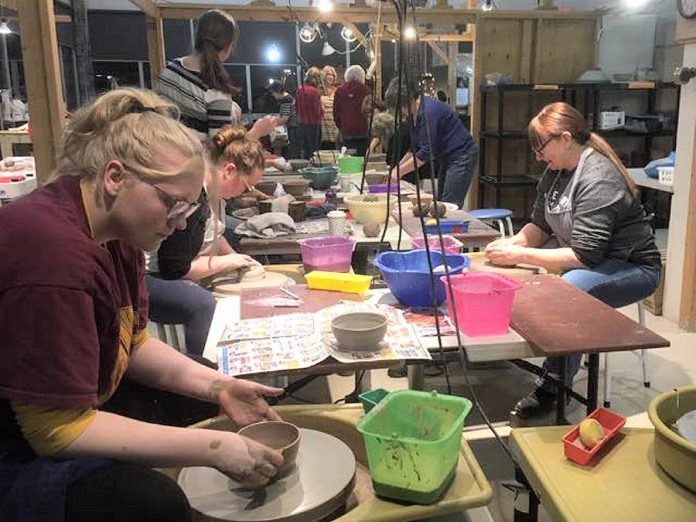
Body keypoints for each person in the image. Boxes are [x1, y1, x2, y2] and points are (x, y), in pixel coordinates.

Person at [0, 88, 284, 522]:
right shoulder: (52, 255)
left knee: (214, 395)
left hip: (62, 407)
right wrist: (212, 448)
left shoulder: (119, 234)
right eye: (174, 203)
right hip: (16, 441)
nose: (184, 221)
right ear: (115, 176)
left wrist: (219, 387)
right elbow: (53, 430)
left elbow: (132, 345)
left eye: (191, 206)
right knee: (152, 503)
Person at [485, 101, 661, 418]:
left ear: (565, 138)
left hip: (632, 267)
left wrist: (521, 254)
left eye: (542, 149)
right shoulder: (555, 173)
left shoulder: (598, 178)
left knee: (572, 289)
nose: (538, 157)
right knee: (513, 273)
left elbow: (584, 256)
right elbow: (539, 224)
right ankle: (500, 351)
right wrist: (516, 242)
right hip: (591, 259)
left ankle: (553, 387)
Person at [148, 125, 266, 356]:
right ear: (229, 170)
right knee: (201, 303)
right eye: (246, 185)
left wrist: (236, 257)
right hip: (145, 275)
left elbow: (216, 236)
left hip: (169, 268)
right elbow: (176, 269)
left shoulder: (214, 193)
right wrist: (230, 262)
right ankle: (204, 372)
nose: (245, 193)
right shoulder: (193, 197)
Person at [156, 9, 277, 141]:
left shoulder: (170, 69)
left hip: (162, 153)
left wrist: (228, 107)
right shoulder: (215, 93)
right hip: (193, 160)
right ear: (227, 48)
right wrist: (257, 131)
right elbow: (220, 153)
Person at [385, 78, 478, 208]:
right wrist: (397, 167)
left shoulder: (428, 111)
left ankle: (451, 228)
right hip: (447, 157)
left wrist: (399, 172)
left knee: (449, 205)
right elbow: (414, 147)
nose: (402, 111)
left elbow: (425, 153)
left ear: (407, 100)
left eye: (401, 107)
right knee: (440, 202)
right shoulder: (415, 114)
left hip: (461, 155)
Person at [333, 65, 370, 157]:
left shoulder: (339, 91)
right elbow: (370, 110)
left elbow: (336, 113)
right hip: (363, 129)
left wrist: (341, 127)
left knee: (349, 157)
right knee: (362, 157)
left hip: (347, 130)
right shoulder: (366, 90)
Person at [295, 67, 324, 159]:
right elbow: (317, 111)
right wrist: (323, 109)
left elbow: (296, 109)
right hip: (314, 126)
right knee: (314, 153)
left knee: (305, 152)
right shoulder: (316, 92)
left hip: (302, 125)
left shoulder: (300, 90)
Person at [320, 66, 339, 150]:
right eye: (328, 74)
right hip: (322, 124)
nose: (331, 77)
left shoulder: (336, 91)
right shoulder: (318, 90)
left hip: (333, 124)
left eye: (332, 75)